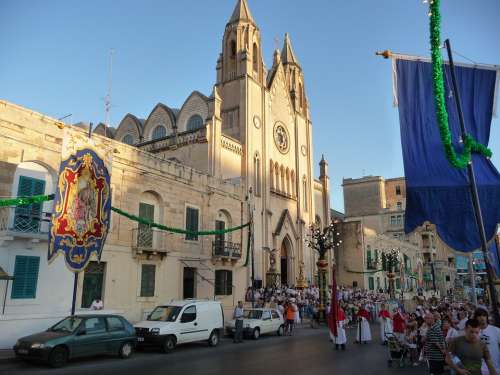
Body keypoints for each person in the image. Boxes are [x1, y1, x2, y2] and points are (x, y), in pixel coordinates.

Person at [474, 308, 500, 375]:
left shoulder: (496, 330)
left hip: (495, 367)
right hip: (479, 368)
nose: (482, 318)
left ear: (487, 317)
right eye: (479, 316)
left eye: (484, 315)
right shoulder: (472, 332)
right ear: (476, 318)